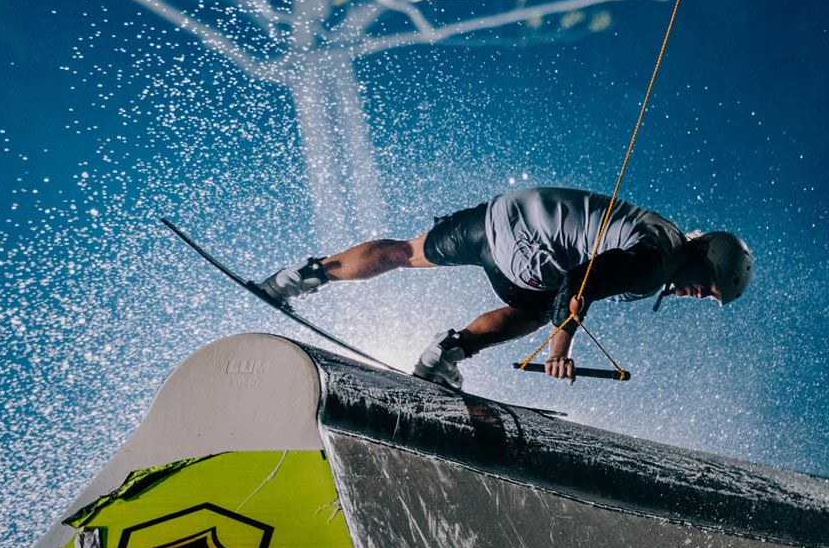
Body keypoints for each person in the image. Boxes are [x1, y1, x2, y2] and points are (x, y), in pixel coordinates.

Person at [257, 186, 752, 389]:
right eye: (708, 286)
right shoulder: (655, 263)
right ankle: (447, 354)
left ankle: (299, 277)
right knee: (541, 313)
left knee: (407, 252)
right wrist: (560, 346)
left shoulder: (659, 232)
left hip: (501, 214)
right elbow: (583, 280)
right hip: (527, 254)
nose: (703, 296)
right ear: (704, 256)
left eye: (711, 298)